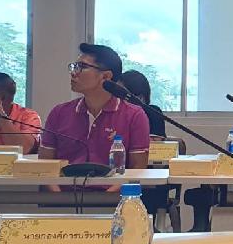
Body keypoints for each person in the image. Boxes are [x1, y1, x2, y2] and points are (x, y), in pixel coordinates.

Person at [39, 44, 151, 191]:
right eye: (74, 67)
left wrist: (106, 198)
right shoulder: (59, 113)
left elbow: (138, 169)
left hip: (114, 199)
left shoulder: (134, 115)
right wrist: (59, 198)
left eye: (82, 67)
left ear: (106, 76)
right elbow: (45, 165)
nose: (73, 73)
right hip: (63, 197)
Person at [119, 70, 166, 137]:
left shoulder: (153, 113)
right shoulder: (114, 114)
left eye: (122, 94)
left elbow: (157, 141)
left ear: (140, 98)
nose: (117, 97)